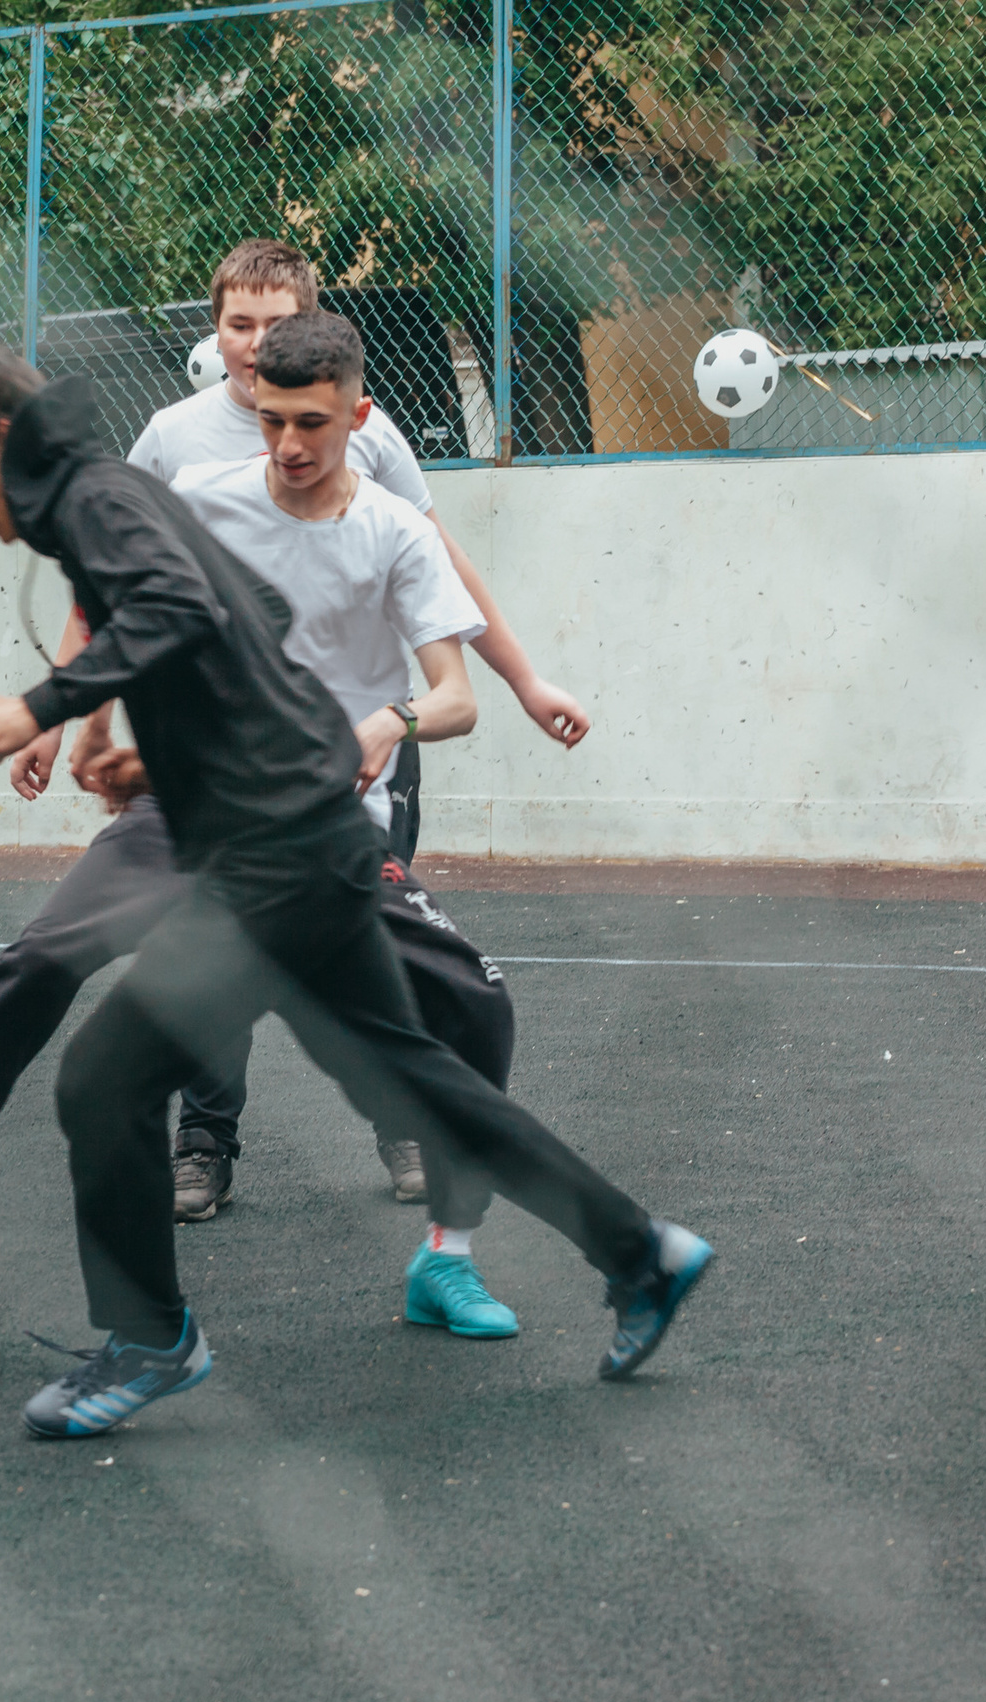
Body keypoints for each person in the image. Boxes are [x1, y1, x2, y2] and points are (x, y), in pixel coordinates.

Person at [0, 344, 709, 1436]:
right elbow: (247, 611)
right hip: (301, 827)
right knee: (417, 1078)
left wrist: (43, 705)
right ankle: (642, 1253)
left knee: (101, 1080)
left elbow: (174, 611)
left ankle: (148, 1340)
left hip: (272, 855)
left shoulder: (89, 503)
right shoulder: (117, 498)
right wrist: (159, 756)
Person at [0, 315, 527, 1336]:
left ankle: (447, 1258)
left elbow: (439, 689)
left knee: (472, 1005)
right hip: (185, 804)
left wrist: (382, 719)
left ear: (356, 416)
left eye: (312, 423)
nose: (290, 444)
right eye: (271, 419)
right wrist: (89, 728)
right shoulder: (197, 494)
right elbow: (129, 605)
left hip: (313, 823)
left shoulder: (394, 526)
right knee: (42, 956)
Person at [130, 238, 590, 1203]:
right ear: (214, 330)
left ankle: (408, 1124)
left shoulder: (366, 441)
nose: (257, 345)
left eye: (275, 324)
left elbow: (439, 566)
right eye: (238, 324)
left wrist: (524, 681)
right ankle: (204, 1145)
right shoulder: (174, 443)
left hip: (363, 746)